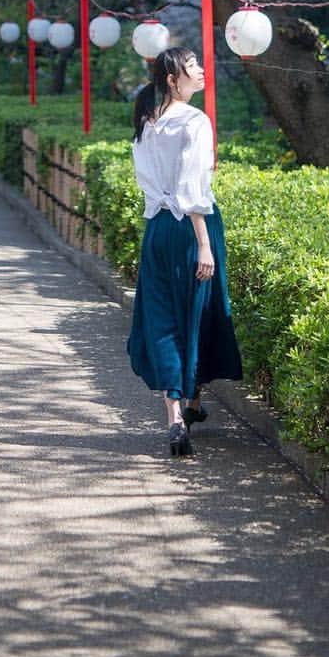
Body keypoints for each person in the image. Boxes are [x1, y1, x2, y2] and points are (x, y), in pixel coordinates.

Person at [126, 46, 243, 456]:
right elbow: (194, 189)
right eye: (194, 67)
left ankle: (179, 413)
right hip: (192, 228)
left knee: (163, 318)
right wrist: (205, 245)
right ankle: (189, 402)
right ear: (174, 79)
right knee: (198, 312)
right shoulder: (195, 122)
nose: (202, 71)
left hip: (157, 229)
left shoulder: (147, 121)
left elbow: (148, 181)